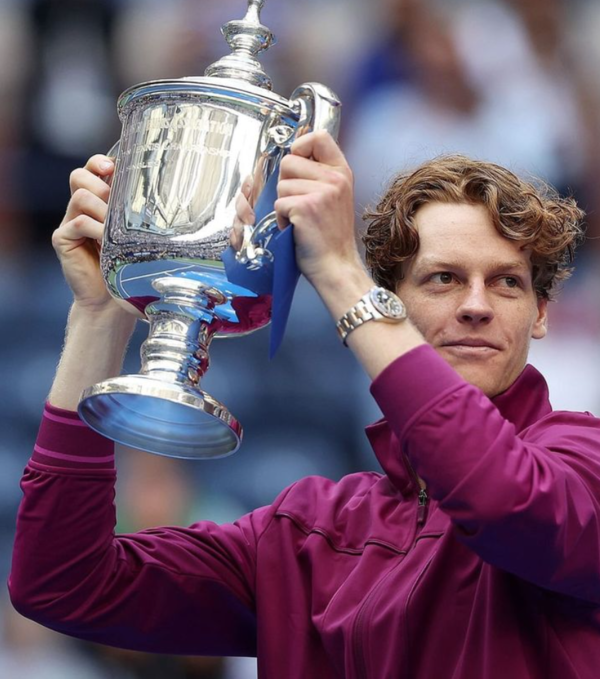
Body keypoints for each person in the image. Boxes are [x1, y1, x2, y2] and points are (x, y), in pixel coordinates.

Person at [9, 130, 600, 678]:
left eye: (507, 282)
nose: (476, 305)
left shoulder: (584, 466)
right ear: (393, 302)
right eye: (442, 278)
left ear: (540, 313)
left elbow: (499, 498)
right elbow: (63, 582)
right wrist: (101, 314)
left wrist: (339, 271)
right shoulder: (309, 532)